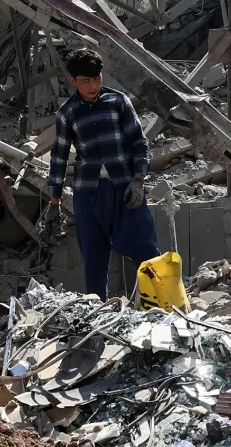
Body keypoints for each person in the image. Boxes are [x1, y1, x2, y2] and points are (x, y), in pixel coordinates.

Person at [47, 47, 158, 299]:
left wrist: (139, 180)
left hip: (125, 189)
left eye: (97, 78)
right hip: (88, 193)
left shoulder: (118, 102)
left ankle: (157, 309)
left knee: (145, 250)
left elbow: (139, 142)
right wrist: (54, 202)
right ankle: (99, 313)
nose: (93, 85)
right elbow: (59, 157)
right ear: (73, 81)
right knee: (94, 258)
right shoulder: (67, 113)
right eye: (86, 81)